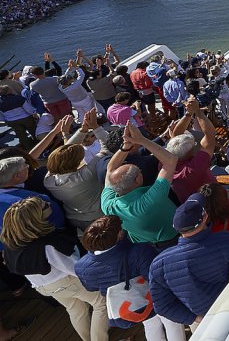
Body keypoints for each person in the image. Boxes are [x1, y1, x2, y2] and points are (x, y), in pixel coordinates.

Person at [0, 196, 107, 341]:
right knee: (101, 303)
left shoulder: (12, 244)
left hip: (45, 286)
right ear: (35, 219)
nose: (48, 203)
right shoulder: (48, 246)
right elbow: (74, 268)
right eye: (44, 206)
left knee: (76, 309)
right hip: (66, 282)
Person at [149, 193, 229, 329]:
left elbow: (162, 306)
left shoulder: (158, 265)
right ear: (205, 218)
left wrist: (195, 318)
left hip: (201, 321)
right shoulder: (227, 240)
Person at [76, 215, 185, 341]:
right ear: (118, 235)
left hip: (131, 305)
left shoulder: (82, 267)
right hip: (155, 297)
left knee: (150, 325)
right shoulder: (139, 251)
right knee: (172, 323)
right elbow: (154, 277)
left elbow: (91, 287)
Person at [101, 122, 179, 247]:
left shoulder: (108, 204)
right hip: (172, 239)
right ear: (137, 181)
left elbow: (111, 168)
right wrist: (141, 140)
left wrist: (126, 146)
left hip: (143, 244)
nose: (141, 171)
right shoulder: (150, 200)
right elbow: (171, 160)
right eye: (139, 172)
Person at [44, 141, 103, 231]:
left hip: (73, 217)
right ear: (77, 162)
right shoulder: (86, 175)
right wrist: (96, 128)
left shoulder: (48, 181)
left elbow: (61, 154)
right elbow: (106, 148)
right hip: (97, 218)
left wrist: (82, 131)